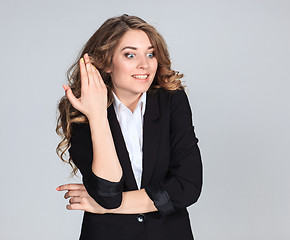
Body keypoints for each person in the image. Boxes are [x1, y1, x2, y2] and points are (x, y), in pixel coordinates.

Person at [55, 14, 202, 240]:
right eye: (130, 55)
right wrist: (97, 116)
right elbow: (108, 192)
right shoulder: (81, 110)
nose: (144, 64)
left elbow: (187, 186)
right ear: (106, 63)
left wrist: (108, 206)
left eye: (150, 54)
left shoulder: (172, 100)